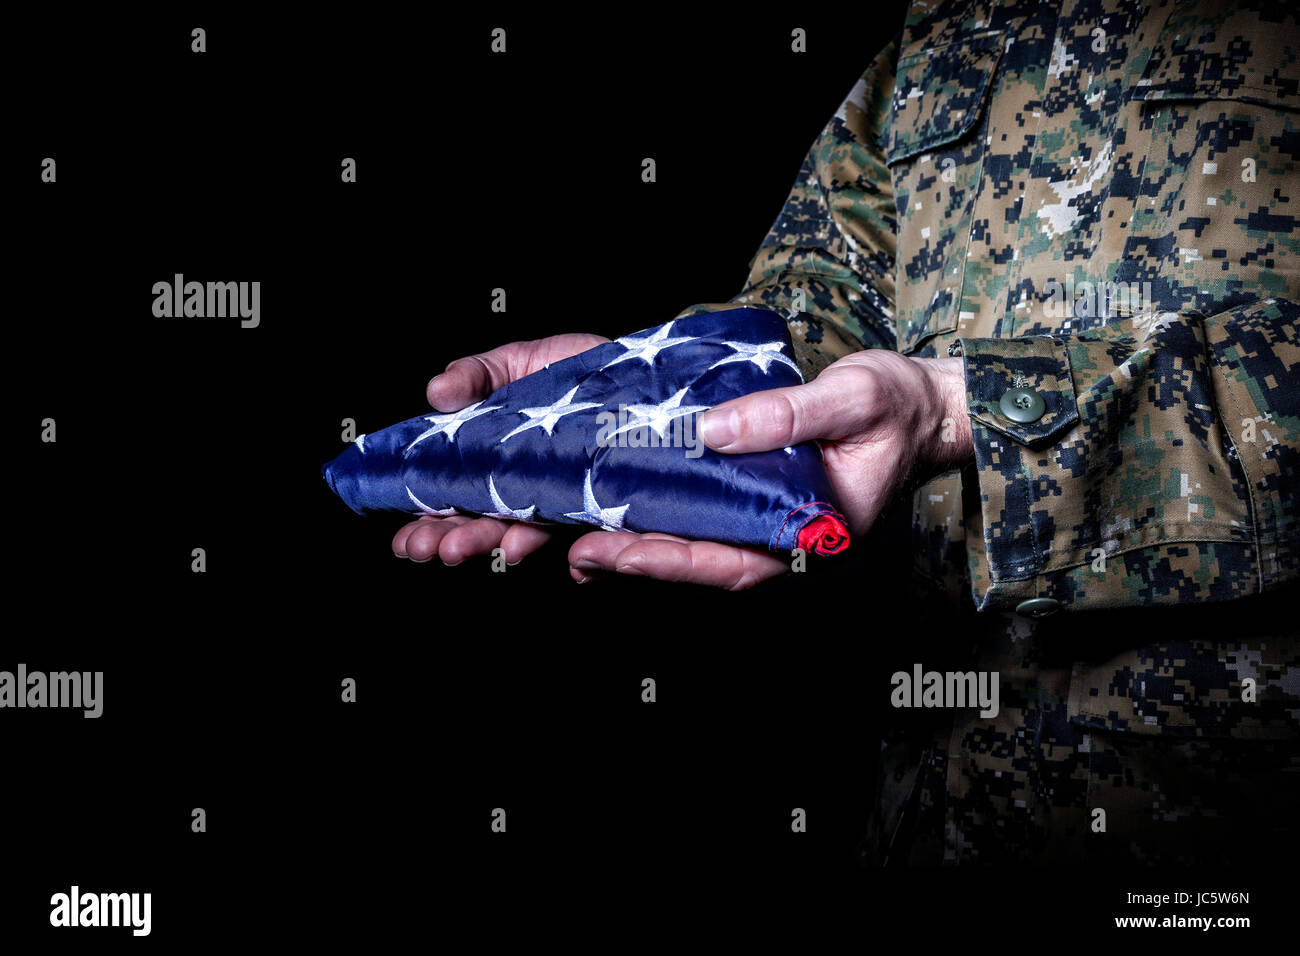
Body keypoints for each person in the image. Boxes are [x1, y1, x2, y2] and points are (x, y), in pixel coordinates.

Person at [393, 0, 1300, 864]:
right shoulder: (945, 24)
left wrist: (958, 409)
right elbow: (825, 291)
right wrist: (667, 400)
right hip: (934, 804)